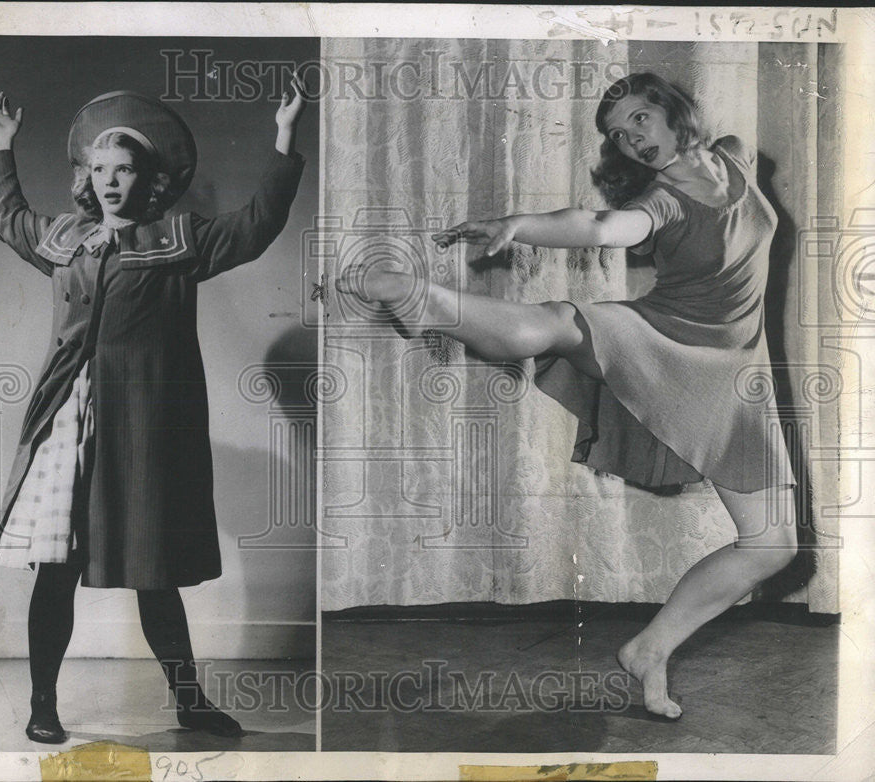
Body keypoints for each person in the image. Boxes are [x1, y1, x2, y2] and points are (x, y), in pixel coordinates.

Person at [336, 72, 798, 719]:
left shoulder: (732, 154)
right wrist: (519, 224)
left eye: (638, 119)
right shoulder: (660, 201)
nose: (631, 140)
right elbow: (602, 225)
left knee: (774, 545)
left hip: (739, 373)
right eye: (618, 134)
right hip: (670, 339)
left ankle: (650, 650)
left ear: (669, 112)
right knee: (557, 321)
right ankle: (429, 300)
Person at [0, 80, 306, 742]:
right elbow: (9, 220)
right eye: (98, 168)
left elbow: (255, 226)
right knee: (56, 567)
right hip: (70, 427)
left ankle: (188, 702)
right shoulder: (65, 239)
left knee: (153, 574)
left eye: (123, 168)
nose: (109, 180)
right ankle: (43, 703)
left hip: (144, 433)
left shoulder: (179, 241)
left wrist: (284, 137)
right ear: (86, 177)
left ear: (147, 178)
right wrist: (2, 147)